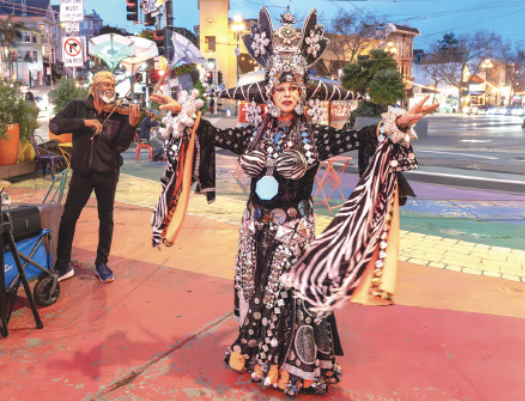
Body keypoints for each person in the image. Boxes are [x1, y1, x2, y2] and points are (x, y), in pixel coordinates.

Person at [150, 8, 437, 397]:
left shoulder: (315, 137)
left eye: (294, 88)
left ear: (302, 94)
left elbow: (365, 137)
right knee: (256, 291)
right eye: (280, 88)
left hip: (294, 228)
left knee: (287, 295)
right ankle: (258, 354)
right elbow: (212, 135)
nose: (287, 93)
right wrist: (185, 119)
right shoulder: (253, 133)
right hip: (254, 226)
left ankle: (291, 366)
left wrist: (399, 124)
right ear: (270, 93)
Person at [49, 71, 140, 283]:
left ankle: (102, 263)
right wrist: (85, 123)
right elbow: (55, 125)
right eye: (106, 84)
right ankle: (63, 265)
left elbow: (119, 146)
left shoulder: (118, 112)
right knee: (69, 218)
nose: (111, 88)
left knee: (106, 219)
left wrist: (131, 124)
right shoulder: (78, 106)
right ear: (95, 86)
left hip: (107, 173)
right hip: (82, 173)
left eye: (113, 85)